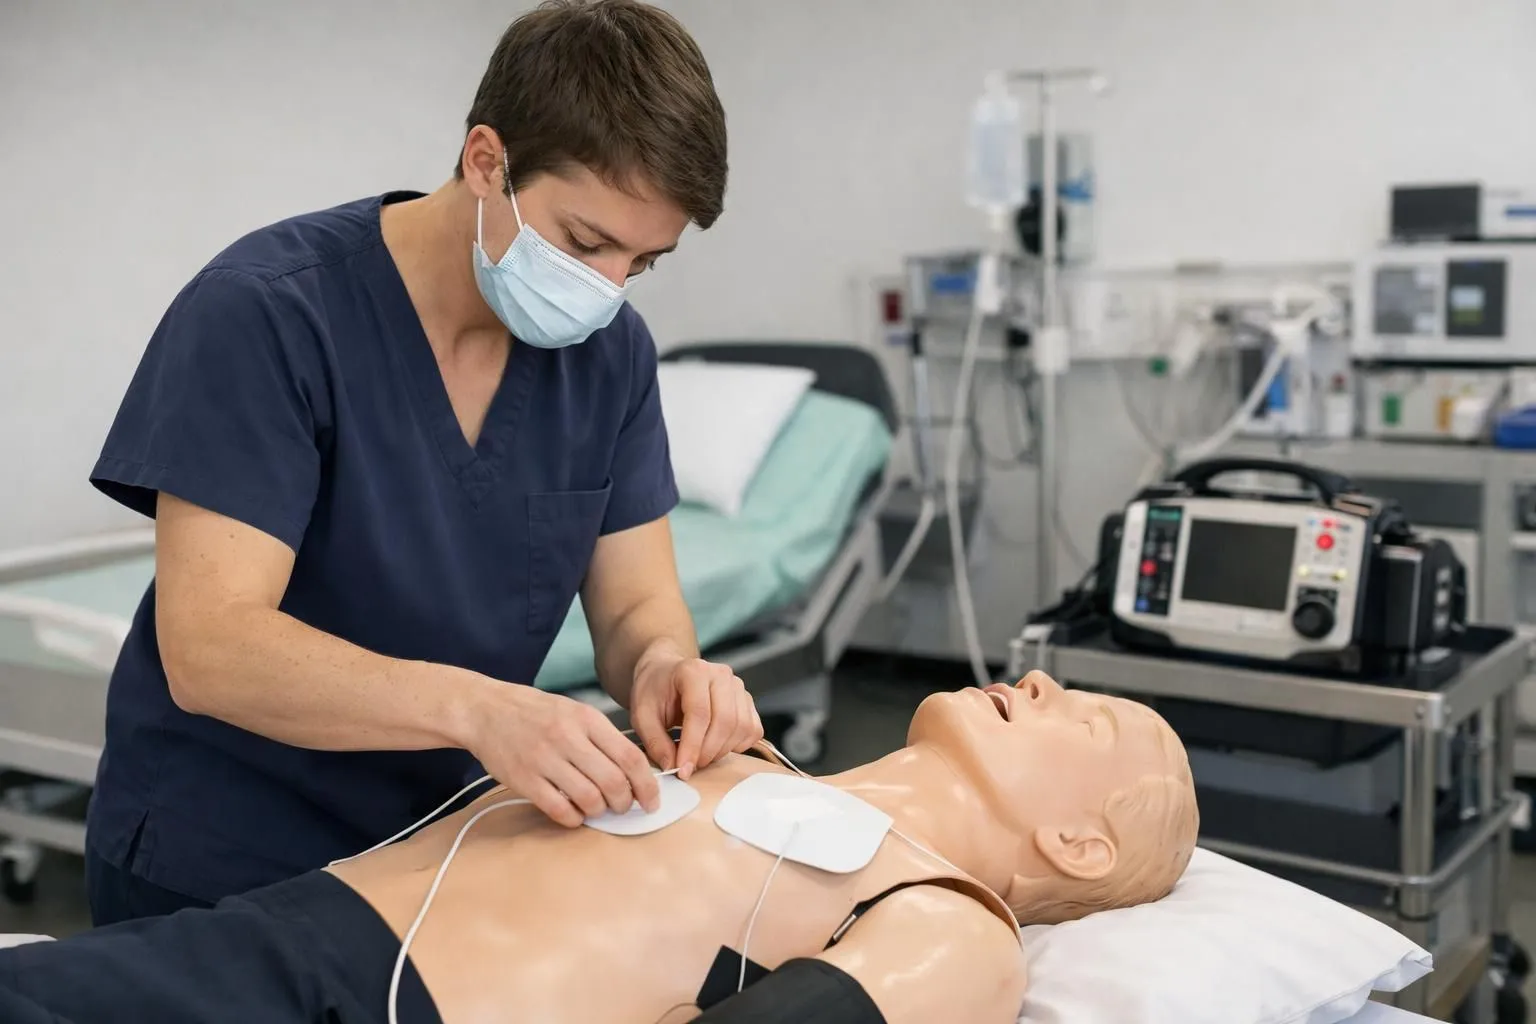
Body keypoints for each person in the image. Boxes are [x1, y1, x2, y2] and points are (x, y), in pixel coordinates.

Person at [79, 0, 763, 929]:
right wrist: (483, 712)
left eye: (642, 263)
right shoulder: (269, 314)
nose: (605, 292)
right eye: (585, 243)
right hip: (225, 860)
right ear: (487, 161)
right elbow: (210, 649)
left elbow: (638, 609)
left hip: (441, 854)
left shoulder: (612, 358)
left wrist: (668, 671)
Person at [0, 672, 1199, 1024]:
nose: (1040, 678)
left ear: (1078, 845)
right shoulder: (732, 753)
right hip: (259, 934)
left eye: (1084, 719)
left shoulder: (945, 919)